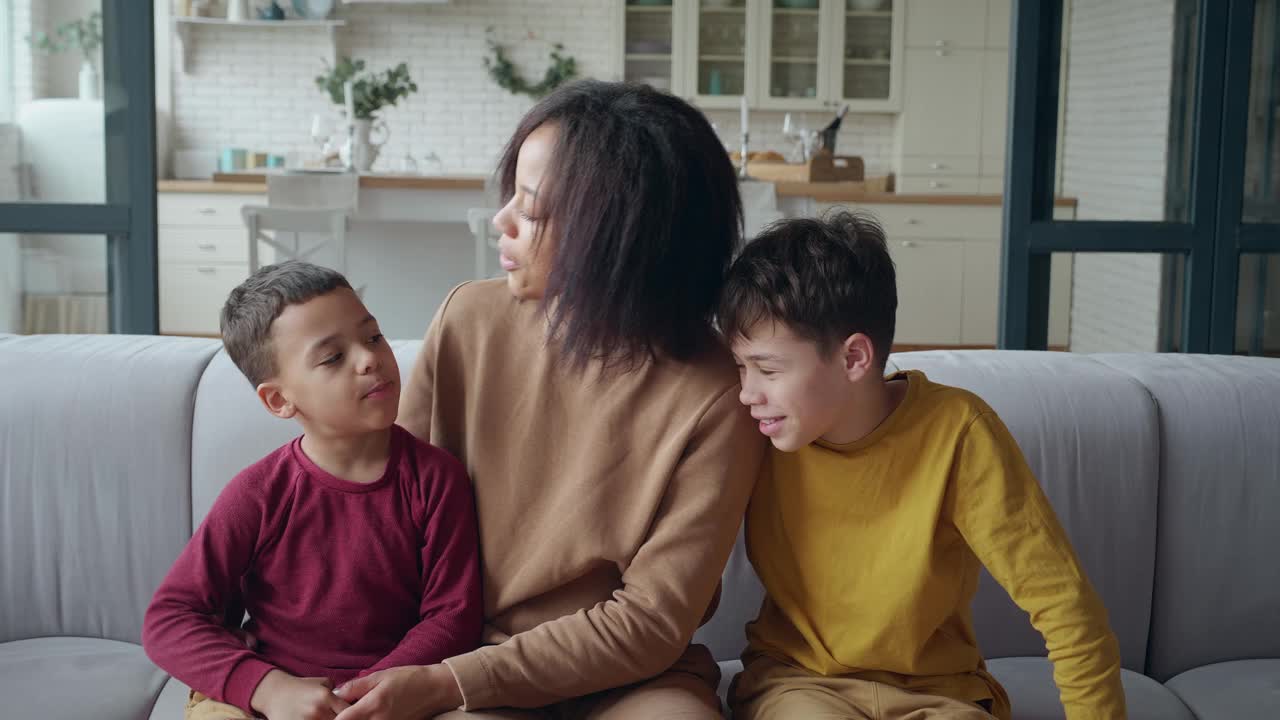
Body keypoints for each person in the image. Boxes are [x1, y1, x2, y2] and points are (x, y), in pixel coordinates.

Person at [331, 80, 766, 720]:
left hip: (631, 677)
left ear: (618, 236)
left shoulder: (717, 392)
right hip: (460, 655)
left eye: (530, 210)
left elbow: (650, 622)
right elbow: (386, 518)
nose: (500, 220)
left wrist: (448, 685)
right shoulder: (468, 319)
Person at [719, 212, 1126, 720]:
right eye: (740, 366)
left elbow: (1066, 608)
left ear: (854, 359)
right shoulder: (749, 430)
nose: (746, 392)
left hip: (940, 694)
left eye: (768, 369)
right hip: (797, 686)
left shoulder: (958, 432)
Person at [143, 261, 483, 720]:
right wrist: (267, 689)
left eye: (373, 337)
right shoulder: (258, 494)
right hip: (266, 695)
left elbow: (453, 618)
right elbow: (169, 620)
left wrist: (364, 697)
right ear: (280, 400)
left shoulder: (437, 480)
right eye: (332, 357)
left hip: (391, 696)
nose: (368, 359)